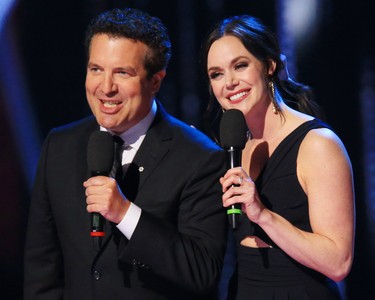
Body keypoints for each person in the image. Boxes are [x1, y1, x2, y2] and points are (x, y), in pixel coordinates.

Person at [24, 8, 228, 300]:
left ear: (155, 81)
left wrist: (125, 213)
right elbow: (41, 266)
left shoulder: (200, 157)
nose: (105, 88)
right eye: (96, 69)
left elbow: (202, 272)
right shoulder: (60, 144)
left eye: (122, 72)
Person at [202, 15, 355, 299]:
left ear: (269, 66)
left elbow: (338, 262)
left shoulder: (317, 144)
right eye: (217, 74)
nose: (229, 83)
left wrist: (263, 215)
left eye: (240, 65)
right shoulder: (234, 146)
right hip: (244, 289)